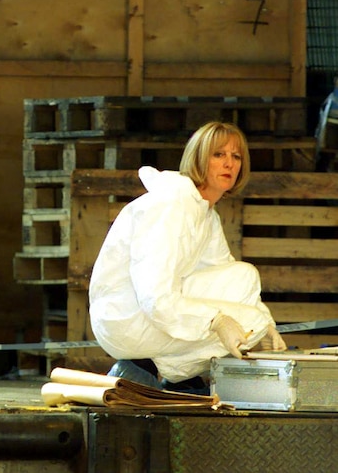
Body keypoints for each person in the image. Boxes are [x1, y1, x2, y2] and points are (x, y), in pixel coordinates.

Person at [88, 121, 287, 393]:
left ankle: (176, 376)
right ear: (198, 159)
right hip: (125, 317)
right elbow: (154, 297)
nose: (229, 163)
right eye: (218, 155)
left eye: (236, 156)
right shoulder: (171, 206)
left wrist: (268, 324)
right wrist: (216, 320)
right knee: (249, 321)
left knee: (245, 278)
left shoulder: (204, 212)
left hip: (146, 312)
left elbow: (230, 278)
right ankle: (144, 371)